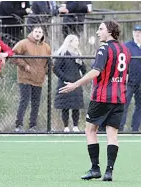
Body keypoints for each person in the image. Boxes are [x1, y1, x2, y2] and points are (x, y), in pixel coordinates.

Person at [59, 20, 131, 181]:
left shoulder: (104, 48)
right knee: (112, 135)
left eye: (101, 29)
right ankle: (109, 172)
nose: (98, 32)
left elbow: (96, 71)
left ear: (110, 31)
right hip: (119, 98)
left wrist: (75, 84)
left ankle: (95, 168)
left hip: (101, 97)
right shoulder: (125, 50)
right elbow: (125, 75)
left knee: (90, 130)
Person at [12, 26, 51, 132]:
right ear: (32, 32)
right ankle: (18, 125)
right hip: (25, 77)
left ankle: (32, 126)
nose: (38, 33)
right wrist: (25, 66)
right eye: (36, 31)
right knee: (24, 101)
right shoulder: (24, 43)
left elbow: (49, 62)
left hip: (38, 79)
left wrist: (46, 70)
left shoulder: (46, 47)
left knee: (36, 103)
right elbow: (14, 55)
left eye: (40, 32)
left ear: (42, 34)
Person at [53, 35, 86, 132]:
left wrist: (81, 62)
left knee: (76, 106)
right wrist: (65, 78)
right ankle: (66, 127)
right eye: (75, 41)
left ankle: (75, 126)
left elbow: (84, 70)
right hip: (65, 83)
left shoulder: (78, 54)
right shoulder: (63, 54)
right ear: (70, 42)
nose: (77, 43)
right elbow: (56, 68)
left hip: (76, 82)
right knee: (65, 106)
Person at [120, 25, 141, 132]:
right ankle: (120, 128)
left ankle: (135, 128)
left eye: (139, 32)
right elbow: (121, 62)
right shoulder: (127, 46)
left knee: (139, 106)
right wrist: (125, 74)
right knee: (124, 104)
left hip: (140, 82)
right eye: (135, 32)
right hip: (129, 81)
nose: (137, 34)